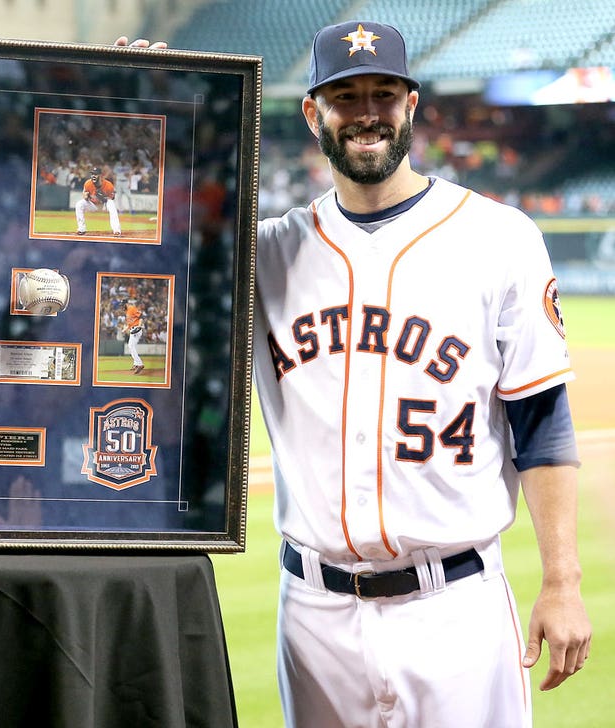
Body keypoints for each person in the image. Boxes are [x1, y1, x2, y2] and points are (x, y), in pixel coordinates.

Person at [248, 21, 591, 727]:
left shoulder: (499, 238)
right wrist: (143, 102)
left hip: (456, 609)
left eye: (384, 93)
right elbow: (152, 253)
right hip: (313, 614)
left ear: (411, 105)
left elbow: (542, 422)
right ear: (313, 113)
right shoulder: (266, 255)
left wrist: (563, 579)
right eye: (345, 96)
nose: (366, 112)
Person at [74, 167, 122, 236]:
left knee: (111, 204)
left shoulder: (108, 185)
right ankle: (81, 229)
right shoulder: (88, 183)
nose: (93, 176)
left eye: (95, 174)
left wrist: (104, 197)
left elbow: (112, 197)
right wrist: (85, 196)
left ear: (101, 176)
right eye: (92, 174)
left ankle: (117, 230)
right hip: (93, 205)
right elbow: (84, 195)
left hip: (103, 205)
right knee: (79, 204)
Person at [122, 298, 145, 374]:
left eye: (122, 305)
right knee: (131, 346)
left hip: (136, 329)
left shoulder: (132, 308)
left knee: (131, 346)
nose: (122, 306)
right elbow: (130, 323)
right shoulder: (127, 311)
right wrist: (125, 329)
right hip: (132, 329)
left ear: (126, 304)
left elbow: (141, 316)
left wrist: (139, 325)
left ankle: (139, 364)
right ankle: (136, 364)